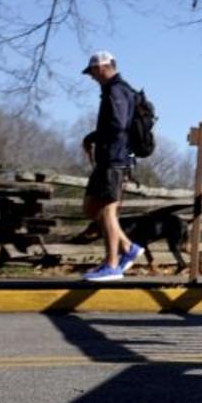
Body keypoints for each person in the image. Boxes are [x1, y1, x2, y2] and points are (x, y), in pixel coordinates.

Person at [80, 50, 143, 282]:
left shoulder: (117, 90)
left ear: (102, 68)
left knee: (107, 210)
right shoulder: (112, 90)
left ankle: (112, 264)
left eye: (93, 72)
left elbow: (117, 124)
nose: (92, 77)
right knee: (90, 208)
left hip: (115, 158)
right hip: (108, 158)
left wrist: (94, 137)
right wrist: (92, 138)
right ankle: (128, 247)